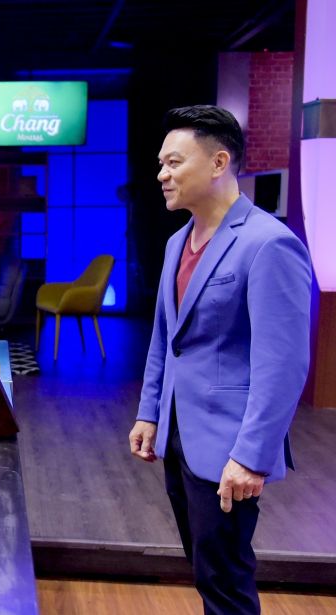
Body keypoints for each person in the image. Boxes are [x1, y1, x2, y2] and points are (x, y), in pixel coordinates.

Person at [128, 105, 311, 614]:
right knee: (206, 570)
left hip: (230, 444)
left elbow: (283, 365)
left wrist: (252, 456)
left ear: (218, 162)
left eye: (173, 162)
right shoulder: (176, 242)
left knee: (226, 582)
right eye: (160, 164)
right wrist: (149, 412)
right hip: (180, 435)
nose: (162, 175)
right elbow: (166, 338)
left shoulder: (268, 243)